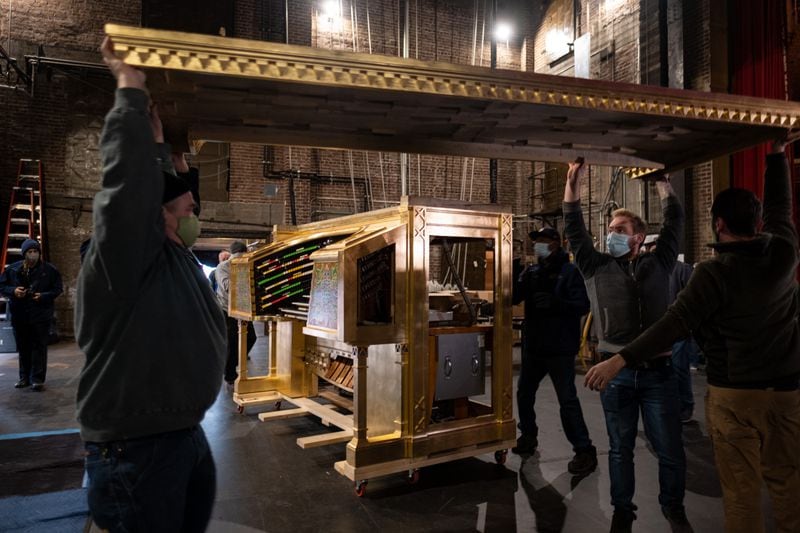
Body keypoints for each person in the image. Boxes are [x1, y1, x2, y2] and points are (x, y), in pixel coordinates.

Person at [585, 134, 800, 533]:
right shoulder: (784, 254)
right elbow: (781, 210)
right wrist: (776, 155)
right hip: (786, 393)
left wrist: (620, 358)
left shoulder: (713, 274)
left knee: (741, 491)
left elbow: (672, 324)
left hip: (735, 393)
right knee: (788, 484)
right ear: (756, 222)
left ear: (718, 224)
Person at [74, 36, 226, 532]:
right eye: (188, 212)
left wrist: (162, 147)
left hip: (178, 434)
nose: (195, 216)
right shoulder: (126, 257)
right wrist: (130, 92)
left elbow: (165, 190)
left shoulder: (171, 253)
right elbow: (127, 188)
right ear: (157, 218)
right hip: (136, 451)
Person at [563, 160, 691, 533]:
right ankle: (622, 512)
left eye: (619, 230)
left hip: (659, 375)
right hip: (614, 378)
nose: (610, 235)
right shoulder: (595, 266)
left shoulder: (659, 263)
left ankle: (673, 507)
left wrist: (664, 184)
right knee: (620, 450)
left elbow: (676, 222)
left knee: (669, 449)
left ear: (638, 237)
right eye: (609, 229)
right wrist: (573, 182)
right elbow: (573, 226)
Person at [511, 227, 597, 475]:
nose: (538, 245)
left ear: (555, 244)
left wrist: (557, 304)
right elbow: (514, 298)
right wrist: (514, 271)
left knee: (567, 399)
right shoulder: (532, 272)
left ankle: (584, 450)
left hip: (559, 349)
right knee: (524, 394)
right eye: (535, 242)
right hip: (535, 347)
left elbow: (582, 305)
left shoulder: (570, 273)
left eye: (543, 241)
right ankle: (528, 436)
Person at [642, 237, 698, 423]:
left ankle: (685, 406)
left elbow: (691, 297)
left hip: (677, 329)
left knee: (679, 368)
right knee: (659, 371)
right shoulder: (647, 271)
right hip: (655, 330)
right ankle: (668, 406)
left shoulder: (682, 269)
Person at [0, 238, 62, 391]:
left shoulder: (50, 270)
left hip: (40, 315)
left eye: (35, 251)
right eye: (30, 252)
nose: (33, 254)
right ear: (24, 253)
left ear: (39, 253)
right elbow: (1, 285)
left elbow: (57, 289)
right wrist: (13, 291)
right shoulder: (13, 269)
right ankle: (24, 378)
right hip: (20, 314)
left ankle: (37, 379)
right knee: (23, 347)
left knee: (39, 347)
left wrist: (43, 296)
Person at [216, 241, 257, 385]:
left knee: (251, 338)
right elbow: (227, 286)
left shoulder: (246, 264)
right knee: (232, 342)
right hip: (227, 309)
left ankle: (232, 363)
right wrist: (242, 275)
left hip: (243, 308)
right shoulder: (222, 267)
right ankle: (229, 374)